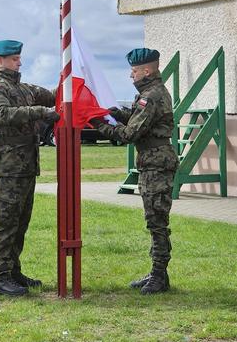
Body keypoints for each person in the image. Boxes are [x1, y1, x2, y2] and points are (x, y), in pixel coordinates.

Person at [89, 48, 178, 295]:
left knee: (157, 221)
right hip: (153, 162)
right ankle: (157, 272)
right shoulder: (151, 94)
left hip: (156, 164)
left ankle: (159, 276)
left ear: (146, 71)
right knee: (154, 219)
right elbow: (142, 121)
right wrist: (119, 114)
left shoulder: (151, 96)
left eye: (134, 71)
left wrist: (98, 124)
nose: (131, 75)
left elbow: (130, 134)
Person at [0, 40, 60, 296]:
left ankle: (13, 270)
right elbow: (2, 115)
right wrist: (40, 112)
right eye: (14, 59)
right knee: (4, 222)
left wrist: (69, 81)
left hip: (26, 166)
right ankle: (0, 277)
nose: (19, 62)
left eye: (18, 58)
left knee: (21, 221)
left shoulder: (22, 88)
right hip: (8, 168)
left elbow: (53, 94)